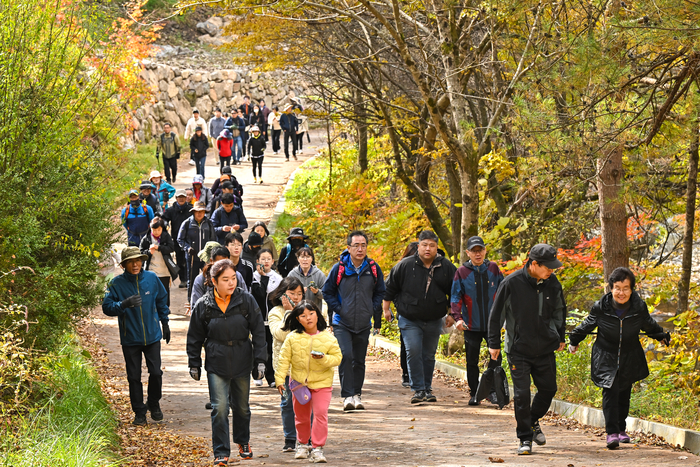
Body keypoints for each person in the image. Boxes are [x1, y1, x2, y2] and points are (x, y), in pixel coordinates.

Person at [569, 267, 670, 450]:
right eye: (617, 288)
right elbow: (587, 324)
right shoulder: (601, 307)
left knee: (624, 392)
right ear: (611, 288)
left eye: (625, 288)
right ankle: (611, 433)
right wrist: (574, 341)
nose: (621, 292)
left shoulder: (638, 307)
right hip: (605, 355)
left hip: (629, 355)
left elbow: (649, 324)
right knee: (610, 391)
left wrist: (661, 335)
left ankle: (621, 429)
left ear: (632, 289)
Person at [488, 243, 567, 456]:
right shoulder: (511, 283)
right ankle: (524, 438)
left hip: (545, 349)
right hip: (518, 349)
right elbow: (496, 316)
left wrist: (560, 336)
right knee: (522, 395)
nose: (552, 270)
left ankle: (531, 421)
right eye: (548, 267)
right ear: (534, 264)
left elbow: (560, 310)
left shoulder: (553, 284)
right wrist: (493, 343)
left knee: (549, 389)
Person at [186, 259, 267, 464]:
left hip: (242, 358)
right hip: (216, 360)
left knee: (241, 407)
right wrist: (193, 362)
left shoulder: (246, 300)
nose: (231, 283)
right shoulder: (203, 305)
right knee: (219, 407)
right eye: (225, 280)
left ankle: (242, 440)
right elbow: (194, 336)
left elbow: (258, 331)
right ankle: (221, 451)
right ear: (214, 281)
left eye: (233, 278)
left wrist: (260, 360)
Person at [382, 230, 456, 404]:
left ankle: (427, 388)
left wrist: (452, 313)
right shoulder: (405, 265)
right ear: (418, 246)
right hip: (409, 317)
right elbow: (390, 287)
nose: (428, 248)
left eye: (432, 245)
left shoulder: (445, 267)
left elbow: (455, 292)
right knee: (413, 350)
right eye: (424, 245)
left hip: (434, 317)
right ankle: (418, 389)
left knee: (428, 354)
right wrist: (386, 309)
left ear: (437, 247)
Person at [102, 246, 170, 426]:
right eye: (131, 261)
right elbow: (106, 307)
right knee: (134, 376)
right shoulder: (116, 284)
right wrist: (123, 304)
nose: (135, 264)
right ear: (124, 265)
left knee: (156, 372)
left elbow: (161, 300)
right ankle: (139, 412)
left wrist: (165, 323)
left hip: (152, 335)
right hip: (130, 338)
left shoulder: (152, 278)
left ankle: (154, 403)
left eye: (138, 260)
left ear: (142, 261)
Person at [322, 230, 385, 411]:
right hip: (342, 321)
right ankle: (347, 396)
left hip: (364, 322)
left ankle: (357, 394)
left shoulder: (372, 268)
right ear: (348, 248)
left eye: (363, 245)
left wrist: (371, 308)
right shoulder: (339, 268)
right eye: (356, 245)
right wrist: (340, 309)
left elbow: (381, 291)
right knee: (346, 355)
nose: (360, 249)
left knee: (359, 360)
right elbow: (327, 292)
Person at [275, 302, 342, 463]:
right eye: (303, 316)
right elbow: (284, 360)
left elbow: (338, 358)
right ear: (298, 320)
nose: (308, 318)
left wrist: (324, 359)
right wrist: (279, 379)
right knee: (301, 417)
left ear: (317, 315)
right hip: (299, 384)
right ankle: (303, 444)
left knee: (320, 414)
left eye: (311, 314)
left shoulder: (328, 337)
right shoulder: (292, 338)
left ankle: (318, 448)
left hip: (322, 383)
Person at [450, 236, 504, 405]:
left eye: (480, 250)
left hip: (492, 325)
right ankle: (475, 393)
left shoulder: (493, 269)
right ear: (468, 253)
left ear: (485, 251)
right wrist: (457, 318)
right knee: (471, 361)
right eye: (474, 251)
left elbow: (504, 293)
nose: (477, 253)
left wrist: (505, 318)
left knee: (496, 359)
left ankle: (492, 391)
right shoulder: (462, 272)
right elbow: (455, 296)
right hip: (470, 325)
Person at [268, 277, 306, 452]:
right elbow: (280, 334)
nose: (296, 297)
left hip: (303, 366)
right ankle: (290, 438)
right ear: (283, 294)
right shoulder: (275, 312)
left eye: (299, 293)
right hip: (284, 368)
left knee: (305, 401)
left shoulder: (307, 311)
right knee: (287, 403)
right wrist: (290, 312)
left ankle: (306, 437)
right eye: (292, 293)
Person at [251, 248, 283, 387]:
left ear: (273, 261)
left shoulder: (278, 278)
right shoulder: (253, 277)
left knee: (271, 348)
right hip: (257, 318)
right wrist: (263, 276)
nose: (266, 262)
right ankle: (256, 374)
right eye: (262, 259)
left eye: (268, 259)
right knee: (257, 347)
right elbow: (259, 294)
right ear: (257, 261)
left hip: (272, 320)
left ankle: (271, 377)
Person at [178, 201, 216, 302]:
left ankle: (209, 300)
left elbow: (213, 240)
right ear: (193, 212)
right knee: (191, 279)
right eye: (197, 211)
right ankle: (191, 301)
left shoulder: (209, 223)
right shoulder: (186, 223)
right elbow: (180, 239)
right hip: (192, 257)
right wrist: (188, 248)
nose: (199, 213)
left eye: (202, 211)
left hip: (206, 257)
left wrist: (210, 254)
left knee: (209, 278)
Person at [190, 243, 246, 309]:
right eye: (219, 264)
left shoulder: (237, 276)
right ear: (211, 261)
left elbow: (245, 300)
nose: (222, 267)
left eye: (226, 263)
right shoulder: (201, 279)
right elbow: (196, 308)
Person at [140, 217, 176, 307]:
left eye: (158, 230)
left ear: (162, 228)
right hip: (151, 269)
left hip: (164, 270)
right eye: (154, 230)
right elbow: (140, 253)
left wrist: (159, 248)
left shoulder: (166, 236)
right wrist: (148, 252)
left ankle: (165, 308)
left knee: (164, 290)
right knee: (151, 290)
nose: (156, 232)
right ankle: (152, 307)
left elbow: (171, 248)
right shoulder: (146, 238)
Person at [162, 190, 193, 288]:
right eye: (179, 197)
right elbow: (164, 219)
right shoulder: (171, 210)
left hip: (190, 239)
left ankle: (190, 279)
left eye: (183, 197)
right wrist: (165, 224)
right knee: (180, 260)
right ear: (176, 198)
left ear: (186, 198)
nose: (181, 199)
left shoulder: (190, 209)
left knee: (190, 260)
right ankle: (183, 280)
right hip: (177, 239)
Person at [287, 247, 326, 311]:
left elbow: (326, 295)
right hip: (296, 311)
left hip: (314, 312)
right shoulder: (292, 274)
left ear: (312, 259)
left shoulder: (319, 274)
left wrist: (317, 292)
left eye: (308, 257)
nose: (305, 259)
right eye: (302, 257)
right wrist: (297, 292)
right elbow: (286, 293)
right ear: (298, 259)